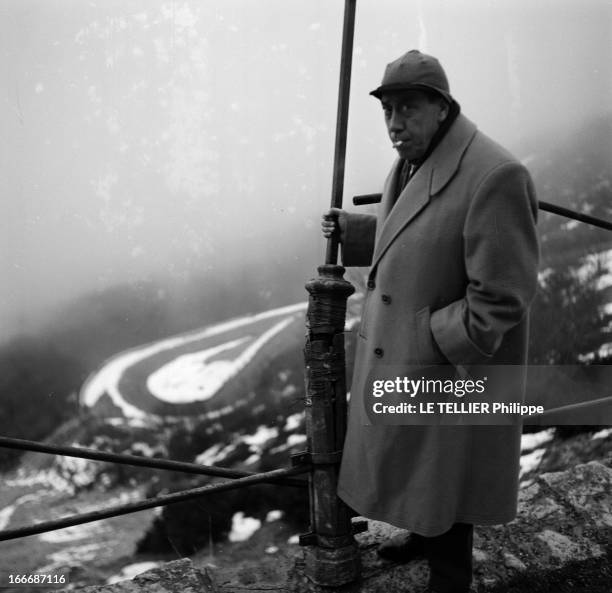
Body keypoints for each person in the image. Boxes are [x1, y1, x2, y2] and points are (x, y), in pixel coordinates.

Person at [321, 50, 539, 593]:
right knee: (424, 471)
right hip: (415, 359)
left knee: (447, 471)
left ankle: (450, 575)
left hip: (452, 369)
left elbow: (503, 298)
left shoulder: (495, 175)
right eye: (387, 110)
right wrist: (357, 233)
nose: (395, 124)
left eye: (408, 108)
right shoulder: (416, 159)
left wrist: (431, 339)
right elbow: (419, 236)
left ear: (441, 107)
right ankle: (423, 532)